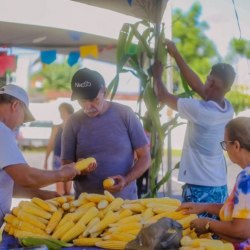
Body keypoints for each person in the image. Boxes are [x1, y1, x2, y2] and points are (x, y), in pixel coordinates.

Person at [152, 39, 236, 210]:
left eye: (209, 80)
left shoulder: (201, 110)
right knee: (213, 234)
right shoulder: (227, 108)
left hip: (199, 188)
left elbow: (162, 96)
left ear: (211, 82)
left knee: (194, 233)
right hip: (219, 186)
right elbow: (198, 86)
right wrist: (175, 54)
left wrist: (157, 76)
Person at [61, 68, 151, 199]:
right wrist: (79, 170)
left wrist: (125, 180)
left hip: (124, 204)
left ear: (105, 92)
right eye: (82, 101)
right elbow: (65, 166)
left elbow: (145, 157)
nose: (88, 107)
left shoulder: (125, 114)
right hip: (85, 206)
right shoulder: (72, 122)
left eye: (93, 99)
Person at [0, 84, 80, 227]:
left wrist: (40, 194)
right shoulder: (2, 131)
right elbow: (26, 177)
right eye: (23, 118)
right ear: (15, 105)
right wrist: (62, 174)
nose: (20, 124)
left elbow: (7, 184)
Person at [177, 117, 250, 250]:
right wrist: (204, 207)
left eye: (225, 144)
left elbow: (241, 232)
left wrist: (208, 224)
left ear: (236, 146)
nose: (225, 149)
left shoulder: (246, 178)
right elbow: (239, 211)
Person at [44, 102, 74, 196]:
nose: (61, 114)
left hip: (70, 159)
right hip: (57, 158)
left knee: (68, 191)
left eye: (62, 111)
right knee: (60, 190)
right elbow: (50, 144)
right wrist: (46, 159)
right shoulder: (56, 128)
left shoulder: (75, 127)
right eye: (60, 111)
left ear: (70, 112)